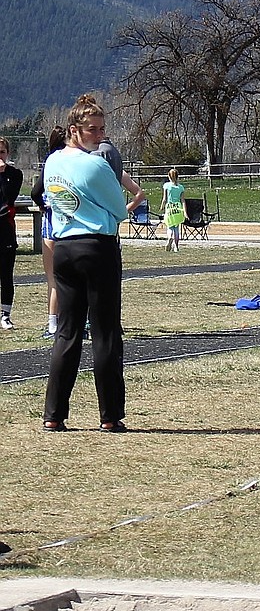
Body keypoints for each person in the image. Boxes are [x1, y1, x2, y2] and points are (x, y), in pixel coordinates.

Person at [41, 94, 129, 432]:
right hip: (96, 246)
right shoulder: (96, 165)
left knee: (67, 331)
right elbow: (119, 210)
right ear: (74, 130)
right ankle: (110, 415)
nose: (100, 135)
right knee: (105, 332)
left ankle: (54, 414)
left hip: (64, 248)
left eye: (103, 129)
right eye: (93, 129)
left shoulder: (53, 162)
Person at [30, 126, 68, 338]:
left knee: (53, 279)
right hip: (72, 220)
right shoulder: (74, 160)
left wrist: (43, 205)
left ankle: (53, 323)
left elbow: (36, 191)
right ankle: (76, 321)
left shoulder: (51, 162)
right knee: (73, 277)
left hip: (52, 221)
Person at [0, 137, 24, 331]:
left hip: (6, 231)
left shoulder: (15, 174)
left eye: (2, 152)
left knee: (6, 275)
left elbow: (9, 198)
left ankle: (5, 315)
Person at [162, 167, 186, 252]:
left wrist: (162, 206)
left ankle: (169, 238)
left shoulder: (167, 186)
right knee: (176, 227)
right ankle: (176, 246)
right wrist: (185, 212)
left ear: (169, 176)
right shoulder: (181, 187)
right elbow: (183, 200)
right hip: (178, 207)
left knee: (169, 226)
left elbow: (165, 199)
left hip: (169, 207)